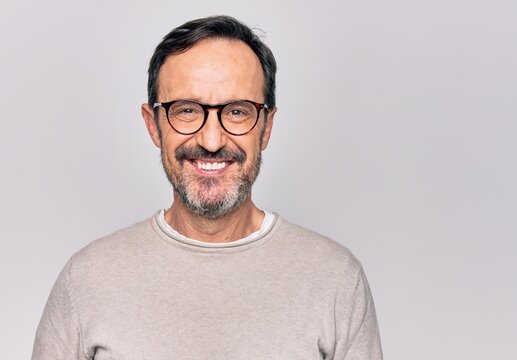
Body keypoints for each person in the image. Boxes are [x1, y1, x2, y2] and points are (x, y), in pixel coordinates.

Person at [32, 15, 383, 359]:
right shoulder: (86, 280)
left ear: (266, 127)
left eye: (236, 112)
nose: (212, 140)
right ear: (153, 125)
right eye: (186, 110)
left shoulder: (336, 279)